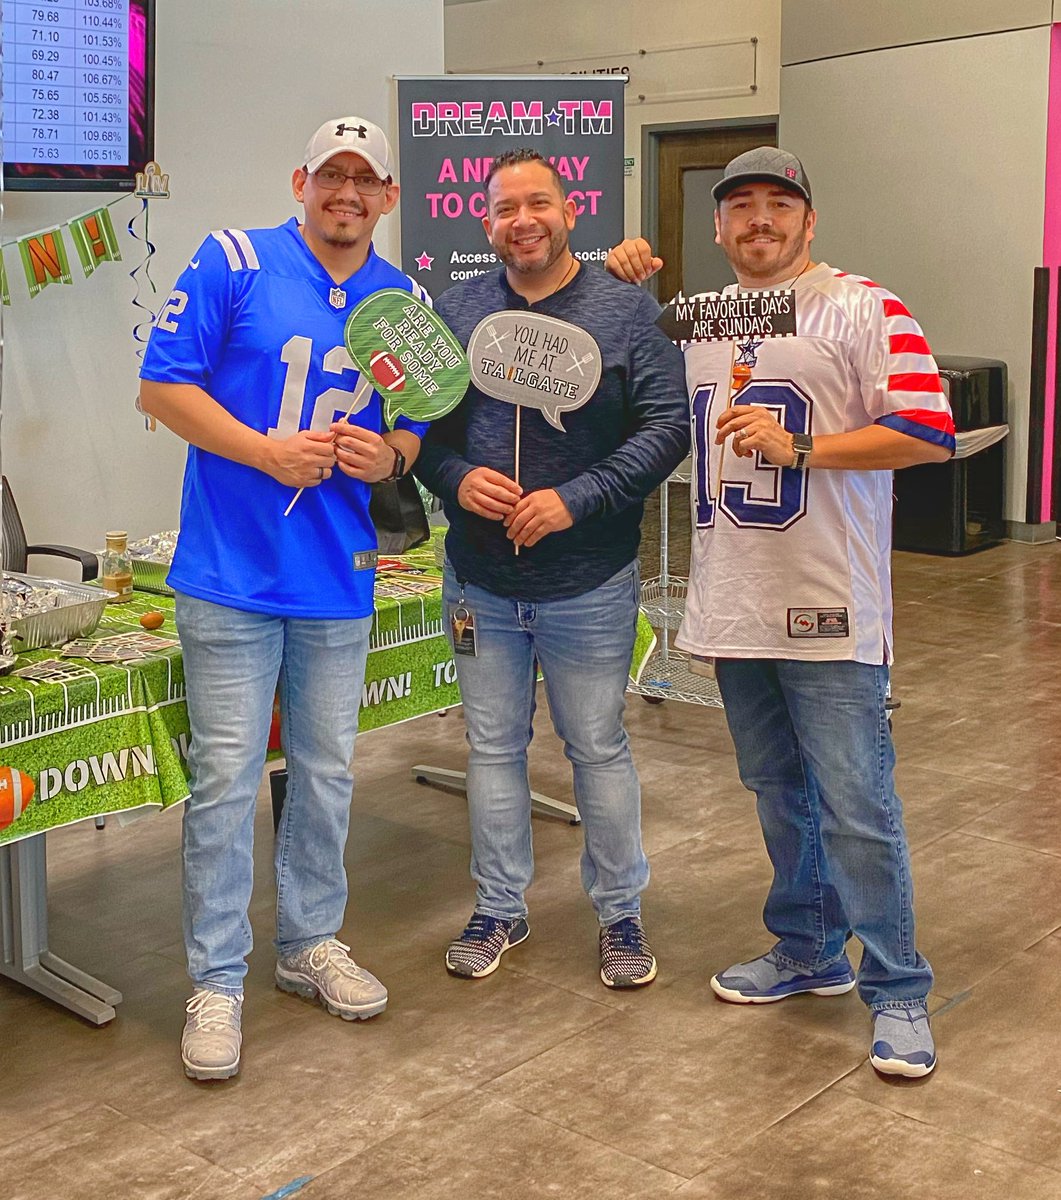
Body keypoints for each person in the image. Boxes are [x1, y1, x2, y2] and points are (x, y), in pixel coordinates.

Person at [605, 147, 954, 1076]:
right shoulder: (696, 319)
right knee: (776, 792)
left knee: (855, 802)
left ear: (808, 220)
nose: (759, 219)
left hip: (829, 600)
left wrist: (802, 447)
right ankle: (807, 948)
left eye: (778, 204)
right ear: (718, 226)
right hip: (735, 600)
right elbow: (613, 375)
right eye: (740, 206)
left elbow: (928, 432)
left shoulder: (862, 304)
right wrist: (619, 283)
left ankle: (897, 986)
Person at [139, 117, 430, 1080]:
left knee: (325, 772)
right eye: (330, 175)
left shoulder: (403, 301)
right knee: (227, 779)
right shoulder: (233, 260)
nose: (346, 193)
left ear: (388, 196)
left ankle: (309, 942)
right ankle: (216, 978)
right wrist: (263, 451)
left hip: (337, 572)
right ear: (301, 181)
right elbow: (161, 388)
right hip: (231, 572)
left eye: (365, 179)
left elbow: (416, 427)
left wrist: (389, 456)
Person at [414, 149, 689, 989]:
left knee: (596, 748)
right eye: (505, 208)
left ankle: (620, 916)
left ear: (569, 212)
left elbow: (666, 428)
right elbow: (419, 429)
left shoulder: (625, 312)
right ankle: (499, 907)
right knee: (492, 749)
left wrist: (576, 498)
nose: (522, 220)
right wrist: (457, 478)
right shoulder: (456, 311)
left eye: (538, 203)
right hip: (480, 582)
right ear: (485, 223)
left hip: (588, 582)